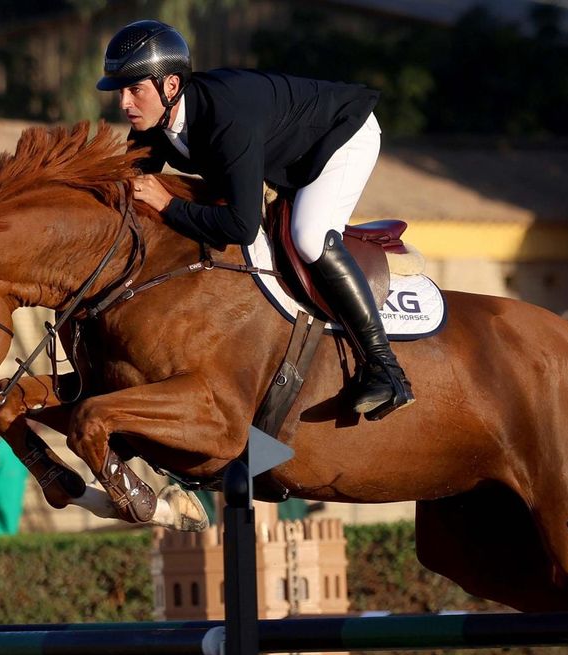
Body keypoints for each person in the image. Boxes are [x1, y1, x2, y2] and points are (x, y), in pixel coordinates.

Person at [96, 20, 414, 421]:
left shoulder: (226, 117)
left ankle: (385, 369)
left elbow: (240, 226)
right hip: (286, 152)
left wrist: (168, 205)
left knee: (309, 236)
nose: (124, 103)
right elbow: (130, 187)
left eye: (134, 90)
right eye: (121, 92)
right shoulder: (153, 122)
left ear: (170, 85)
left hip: (341, 137)